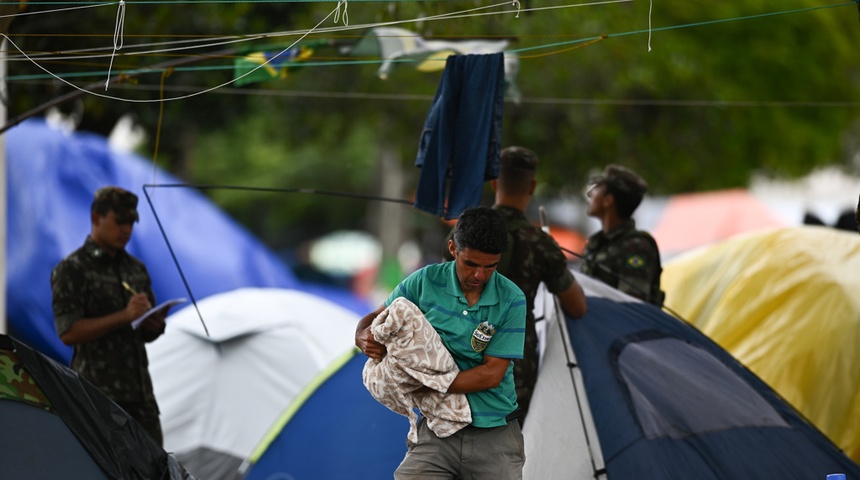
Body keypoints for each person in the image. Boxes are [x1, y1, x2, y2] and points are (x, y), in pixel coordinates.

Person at [356, 206, 527, 480]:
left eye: (490, 266)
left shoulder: (512, 298)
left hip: (493, 436)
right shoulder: (424, 281)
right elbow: (376, 317)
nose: (479, 276)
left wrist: (421, 382)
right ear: (452, 249)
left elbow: (491, 374)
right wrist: (363, 336)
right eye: (471, 264)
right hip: (437, 430)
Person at [442, 145, 587, 424]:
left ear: (495, 181)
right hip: (514, 367)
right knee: (506, 451)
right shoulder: (540, 244)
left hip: (458, 360)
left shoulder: (462, 233)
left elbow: (440, 288)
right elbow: (577, 305)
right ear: (531, 187)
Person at [51, 186, 167, 446]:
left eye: (130, 222)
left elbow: (146, 332)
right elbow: (68, 332)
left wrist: (154, 324)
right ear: (96, 218)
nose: (126, 230)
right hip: (97, 399)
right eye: (119, 221)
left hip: (141, 399)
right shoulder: (73, 269)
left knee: (154, 472)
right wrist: (124, 316)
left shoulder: (136, 269)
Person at [580, 164, 664, 306]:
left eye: (597, 188)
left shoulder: (635, 247)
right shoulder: (599, 244)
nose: (590, 194)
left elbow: (632, 307)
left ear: (608, 200)